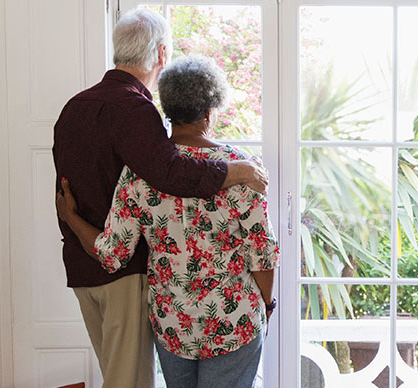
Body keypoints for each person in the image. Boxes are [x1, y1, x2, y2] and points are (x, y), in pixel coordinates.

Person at [51, 9, 268, 388]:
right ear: (211, 110)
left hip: (160, 315)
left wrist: (70, 219)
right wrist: (240, 171)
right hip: (222, 319)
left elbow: (109, 245)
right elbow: (261, 252)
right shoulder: (138, 114)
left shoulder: (80, 113)